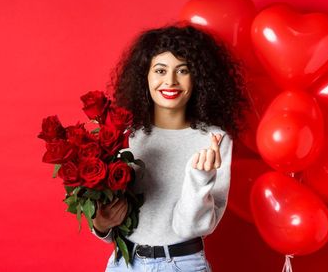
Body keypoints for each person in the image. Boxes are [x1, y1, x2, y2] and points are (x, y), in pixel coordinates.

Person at [90, 24, 249, 271]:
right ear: (145, 76)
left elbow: (190, 228)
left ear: (198, 77)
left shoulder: (215, 140)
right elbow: (111, 227)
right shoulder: (124, 135)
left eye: (182, 70)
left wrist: (199, 177)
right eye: (160, 70)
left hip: (183, 264)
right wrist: (100, 224)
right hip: (125, 263)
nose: (170, 81)